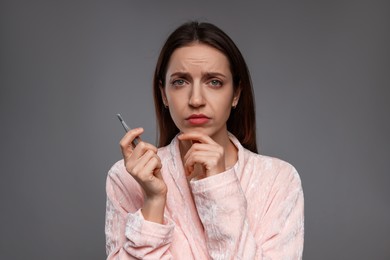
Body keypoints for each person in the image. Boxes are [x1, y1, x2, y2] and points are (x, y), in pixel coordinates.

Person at [105, 21, 304, 259]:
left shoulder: (278, 180)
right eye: (180, 82)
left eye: (214, 82)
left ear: (236, 93)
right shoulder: (126, 178)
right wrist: (153, 202)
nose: (196, 99)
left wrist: (219, 187)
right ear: (163, 94)